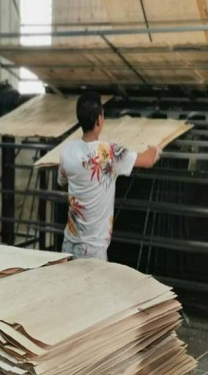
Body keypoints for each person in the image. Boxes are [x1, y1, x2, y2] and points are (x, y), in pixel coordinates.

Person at [57, 91, 159, 260]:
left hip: (68, 244)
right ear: (99, 119)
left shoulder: (67, 151)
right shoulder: (109, 154)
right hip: (93, 251)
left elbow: (62, 182)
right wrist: (155, 146)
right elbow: (148, 160)